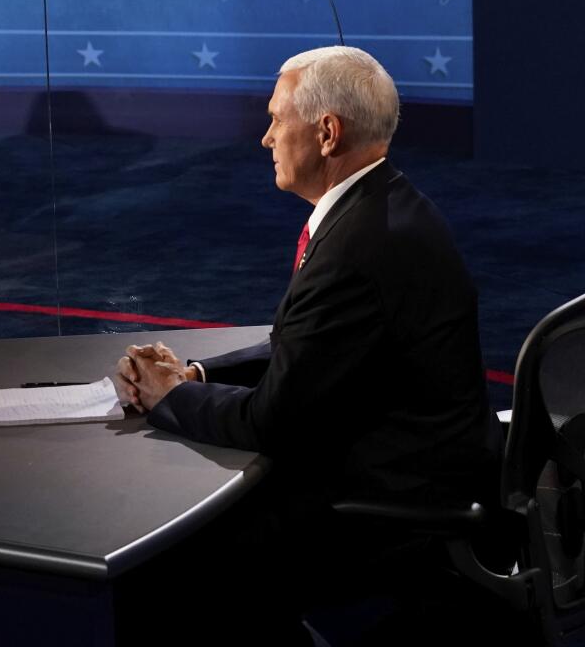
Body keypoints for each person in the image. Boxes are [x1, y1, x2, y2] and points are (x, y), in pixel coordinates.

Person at [113, 46, 503, 643]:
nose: (266, 138)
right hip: (423, 471)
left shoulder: (357, 248)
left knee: (165, 564)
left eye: (276, 119)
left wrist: (167, 398)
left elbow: (272, 422)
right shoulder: (388, 206)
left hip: (386, 511)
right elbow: (308, 349)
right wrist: (196, 376)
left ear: (326, 132)